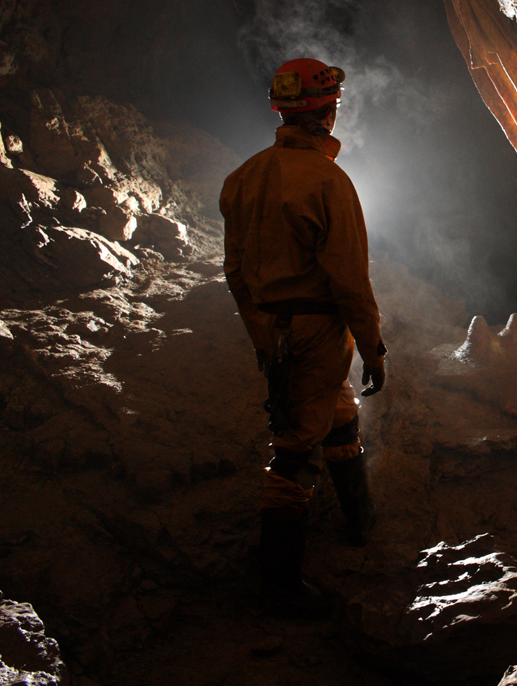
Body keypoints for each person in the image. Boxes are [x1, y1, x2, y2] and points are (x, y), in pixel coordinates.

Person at [219, 57, 387, 617]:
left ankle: (359, 519)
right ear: (326, 112)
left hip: (273, 325)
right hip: (317, 327)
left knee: (335, 409)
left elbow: (236, 272)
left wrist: (262, 337)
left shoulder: (241, 178)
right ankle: (279, 586)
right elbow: (349, 279)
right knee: (293, 452)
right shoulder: (329, 182)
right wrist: (372, 346)